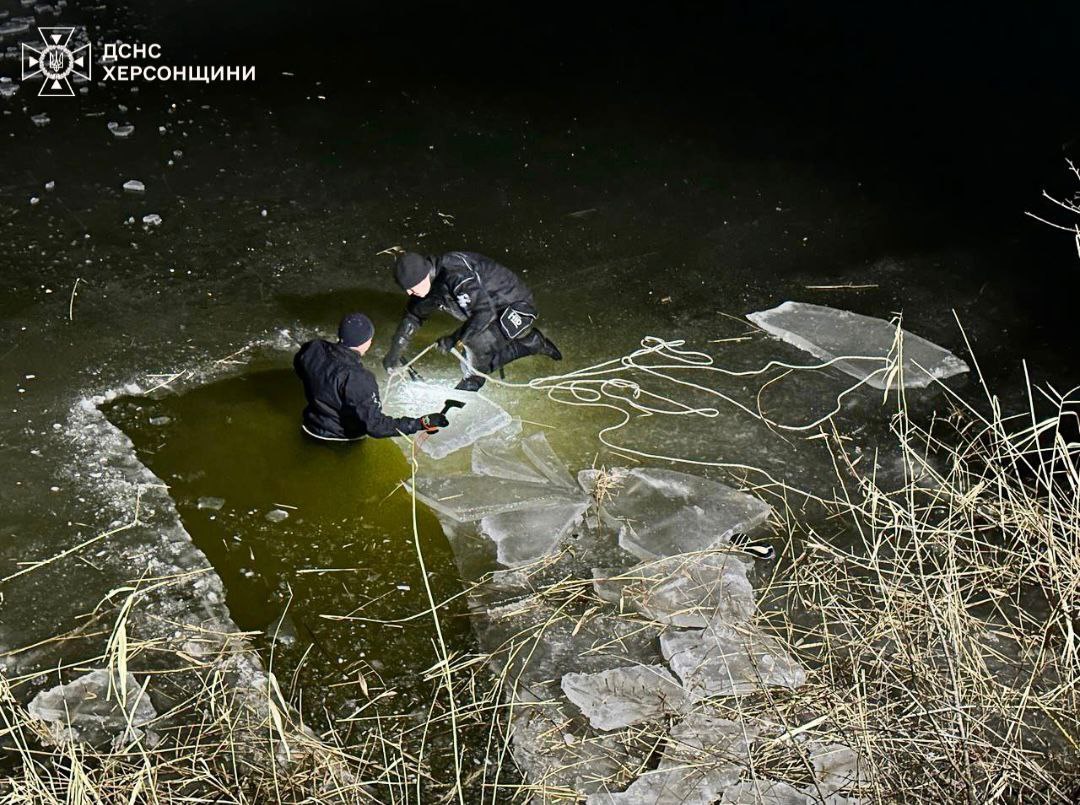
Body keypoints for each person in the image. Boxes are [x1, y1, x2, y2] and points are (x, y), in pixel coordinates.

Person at [382, 251, 562, 391]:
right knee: (475, 347)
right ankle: (532, 343)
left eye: (411, 287)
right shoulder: (428, 283)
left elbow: (484, 313)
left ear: (423, 275)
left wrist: (454, 339)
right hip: (487, 308)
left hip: (516, 307)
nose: (408, 293)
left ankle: (473, 383)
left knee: (476, 347)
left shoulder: (455, 275)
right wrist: (394, 353)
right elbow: (413, 317)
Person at [294, 312, 449, 442]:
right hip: (339, 439)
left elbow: (300, 370)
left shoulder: (313, 348)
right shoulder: (358, 378)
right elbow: (376, 427)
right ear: (367, 342)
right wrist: (420, 423)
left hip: (309, 427)